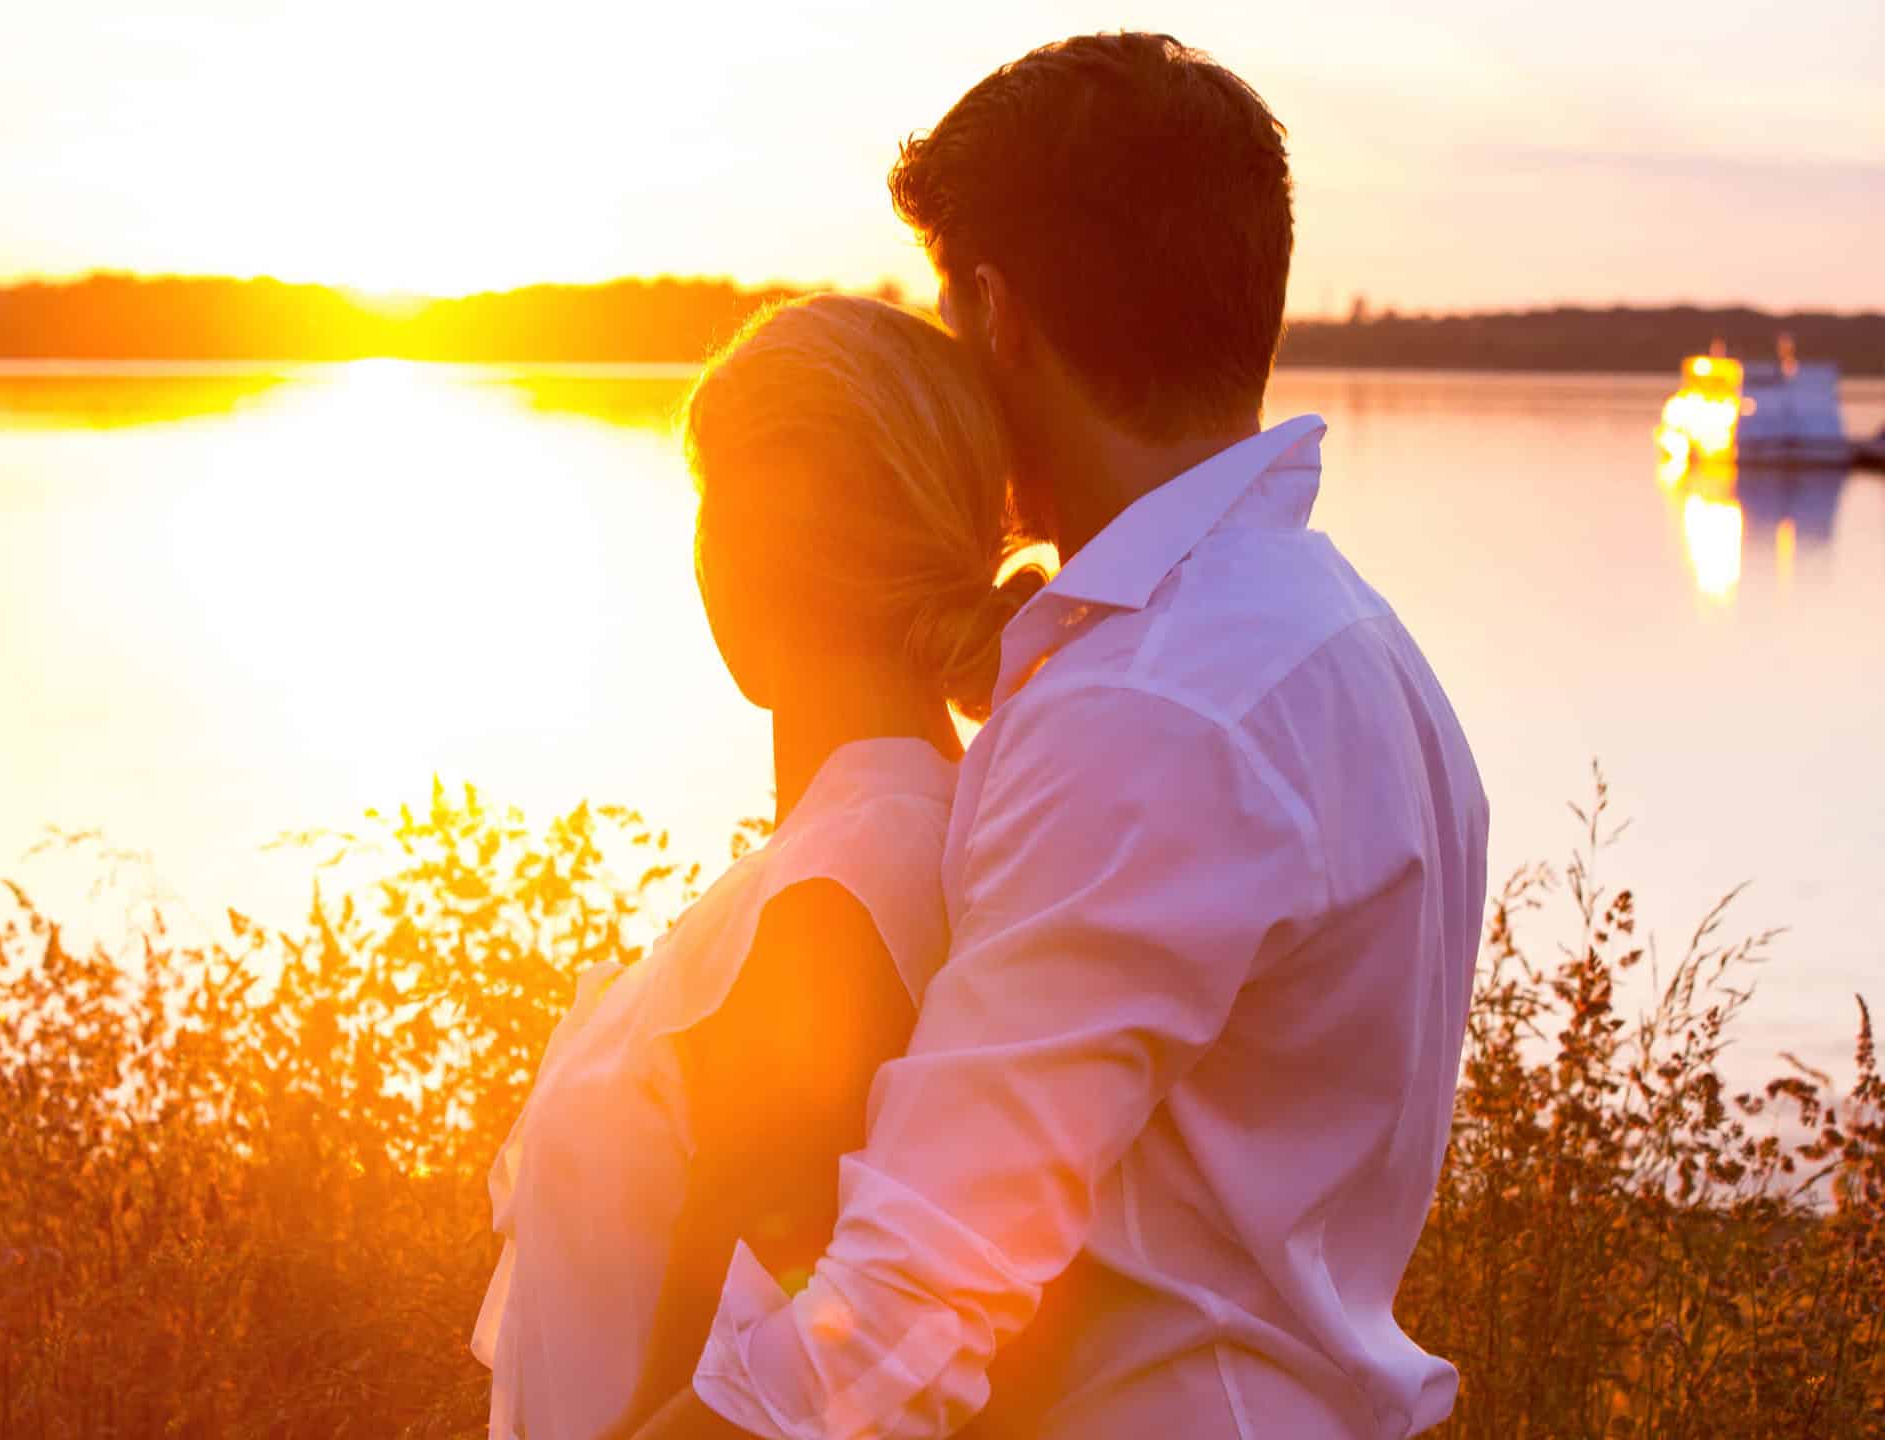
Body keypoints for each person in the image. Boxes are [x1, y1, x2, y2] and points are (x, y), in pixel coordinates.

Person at [624, 32, 1490, 1440]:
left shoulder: (1150, 711)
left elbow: (915, 1296)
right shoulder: (1352, 645)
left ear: (999, 313)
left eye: (953, 318)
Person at [472, 292, 1046, 1440]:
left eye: (707, 504)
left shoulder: (831, 901)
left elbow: (733, 1379)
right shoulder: (902, 837)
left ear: (737, 553)